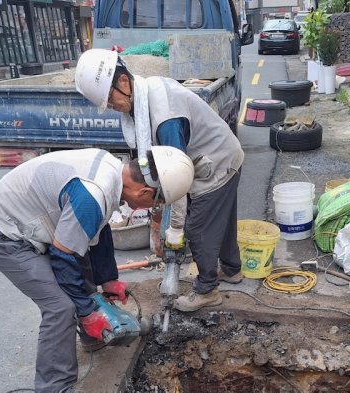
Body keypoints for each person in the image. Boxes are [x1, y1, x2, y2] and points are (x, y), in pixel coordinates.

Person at [0, 147, 194, 393]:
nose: (152, 209)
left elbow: (97, 232)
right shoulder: (92, 193)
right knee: (60, 307)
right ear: (147, 192)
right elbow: (64, 258)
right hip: (0, 233)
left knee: (81, 279)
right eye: (156, 203)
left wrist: (108, 278)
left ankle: (94, 335)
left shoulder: (113, 171)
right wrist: (86, 310)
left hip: (35, 224)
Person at [75, 49, 245, 312]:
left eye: (110, 101)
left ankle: (208, 290)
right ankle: (232, 270)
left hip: (216, 161)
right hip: (217, 154)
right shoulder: (141, 99)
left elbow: (175, 182)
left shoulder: (166, 117)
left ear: (123, 82)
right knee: (219, 219)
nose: (112, 108)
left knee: (199, 228)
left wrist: (173, 229)